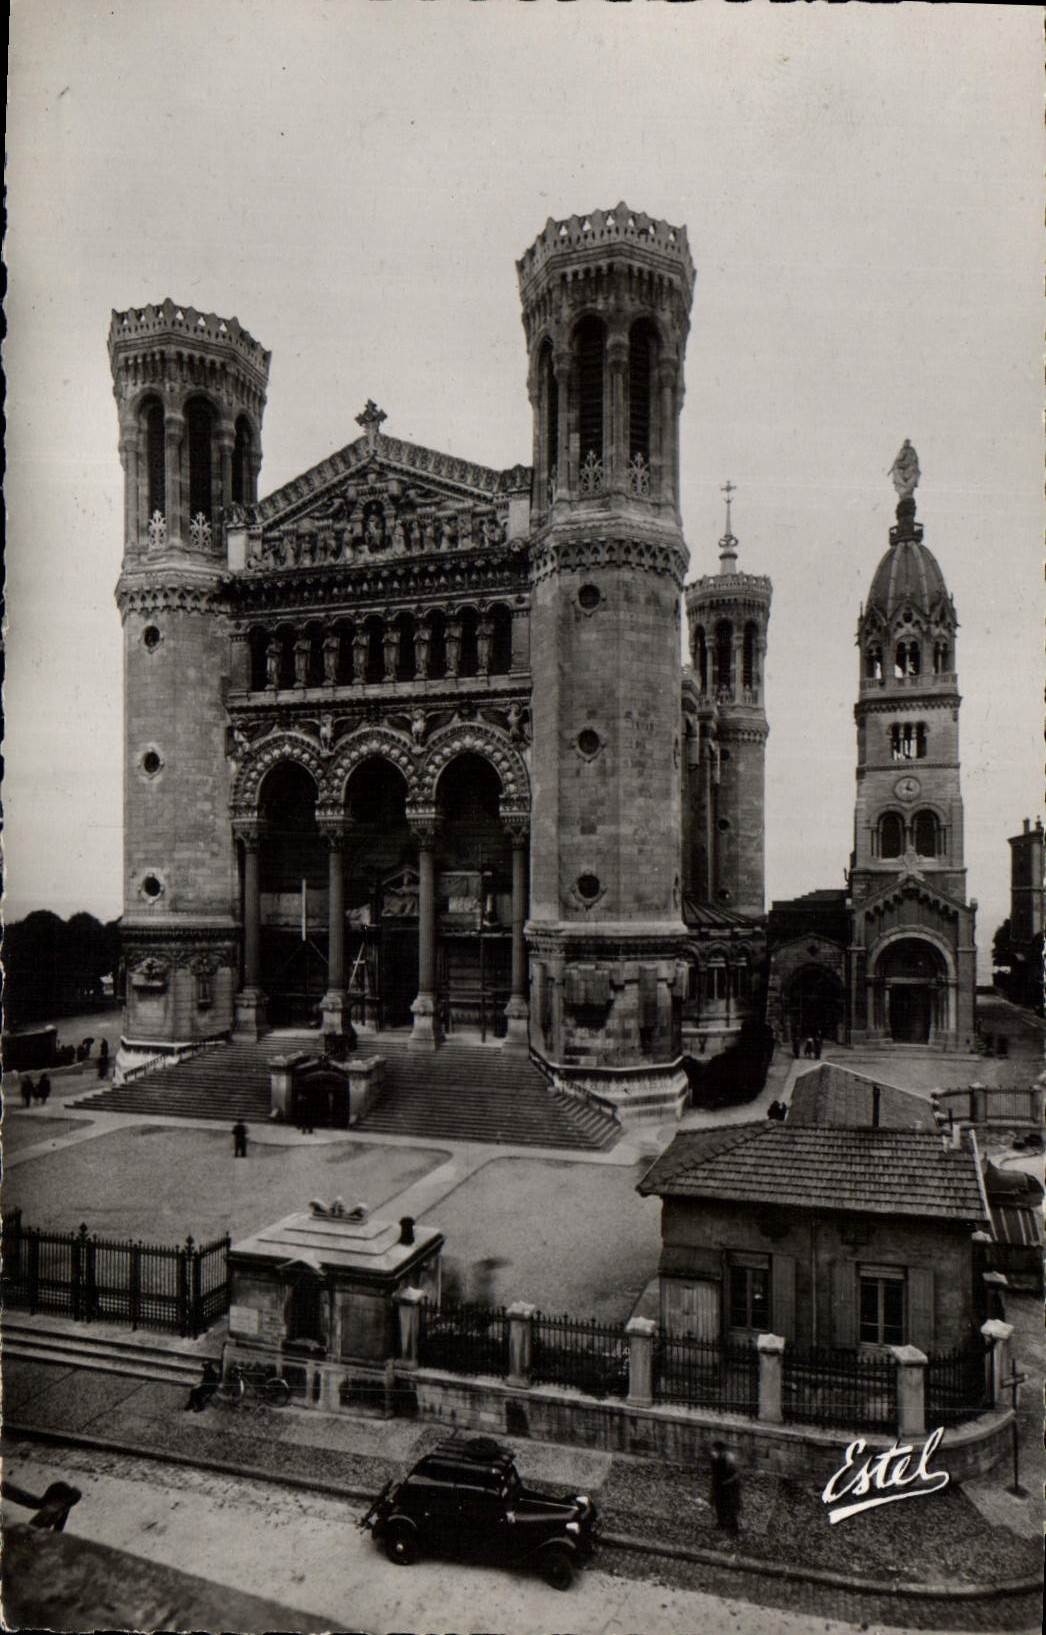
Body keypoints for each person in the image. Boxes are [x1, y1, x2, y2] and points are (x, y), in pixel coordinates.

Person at [710, 1441, 741, 1534]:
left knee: (730, 1506)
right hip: (719, 1485)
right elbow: (715, 1473)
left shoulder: (729, 1458)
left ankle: (734, 1527)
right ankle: (721, 1524)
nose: (712, 1451)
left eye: (714, 1449)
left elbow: (735, 1475)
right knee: (719, 1505)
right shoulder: (715, 1458)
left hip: (729, 1487)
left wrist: (726, 1483)